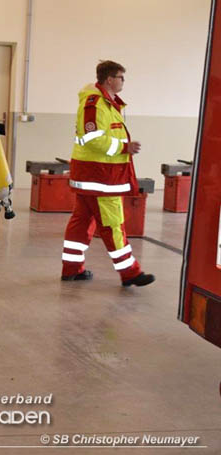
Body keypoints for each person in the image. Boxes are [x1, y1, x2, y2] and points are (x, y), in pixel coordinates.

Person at [61, 60, 155, 287]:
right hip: (102, 177)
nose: (123, 82)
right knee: (113, 225)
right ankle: (130, 273)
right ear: (110, 79)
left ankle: (72, 269)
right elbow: (93, 139)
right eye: (121, 77)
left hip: (94, 176)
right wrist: (125, 147)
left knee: (81, 223)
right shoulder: (95, 103)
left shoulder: (106, 102)